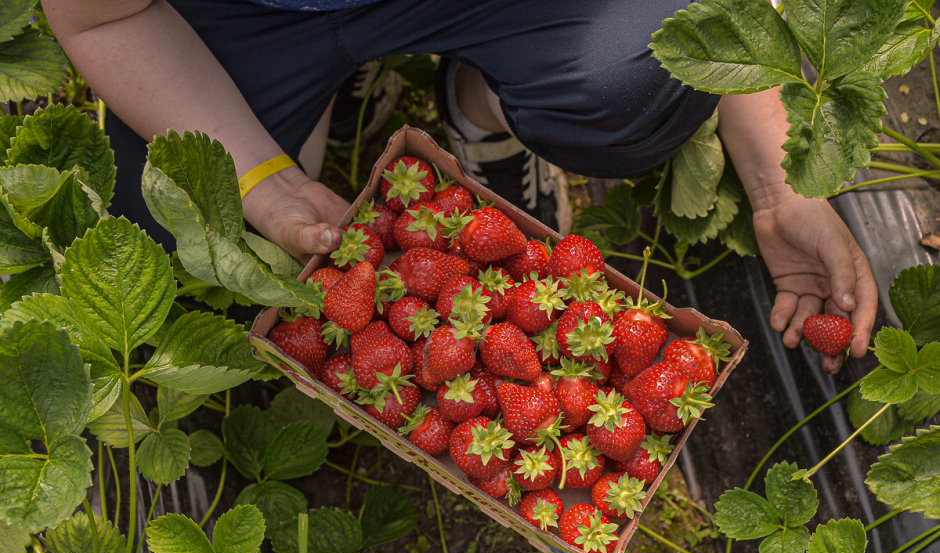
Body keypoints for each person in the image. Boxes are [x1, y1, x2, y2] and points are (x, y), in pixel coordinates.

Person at [45, 0, 877, 367]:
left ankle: (478, 107)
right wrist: (262, 180)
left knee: (638, 69)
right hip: (239, 10)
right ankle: (306, 101)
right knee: (169, 234)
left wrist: (779, 184)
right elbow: (104, 14)